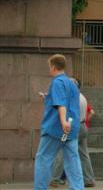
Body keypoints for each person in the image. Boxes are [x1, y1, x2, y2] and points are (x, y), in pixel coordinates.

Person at [33, 54, 83, 190]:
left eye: (49, 67)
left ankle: (40, 188)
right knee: (73, 161)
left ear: (53, 67)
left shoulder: (56, 82)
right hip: (72, 129)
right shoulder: (72, 84)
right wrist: (48, 97)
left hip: (55, 129)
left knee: (43, 159)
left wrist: (63, 122)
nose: (49, 69)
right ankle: (78, 188)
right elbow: (66, 100)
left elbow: (61, 104)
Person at [50, 79, 96, 188]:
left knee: (61, 152)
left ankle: (55, 179)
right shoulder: (82, 97)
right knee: (84, 154)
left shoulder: (72, 98)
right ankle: (89, 179)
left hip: (73, 127)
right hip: (83, 126)